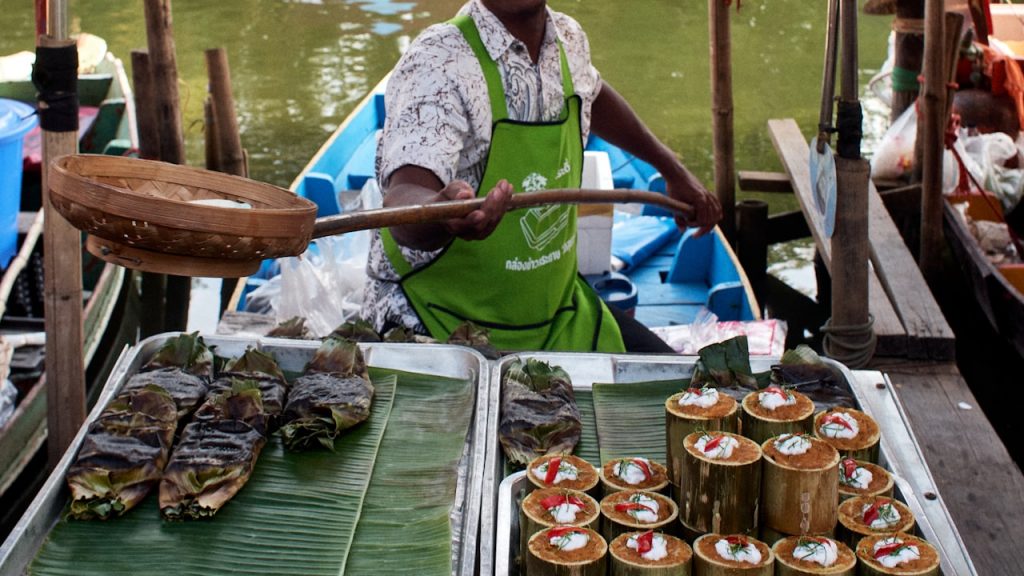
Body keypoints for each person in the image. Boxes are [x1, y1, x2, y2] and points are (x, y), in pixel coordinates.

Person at [361, 0, 722, 353]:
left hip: (555, 314)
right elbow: (406, 195)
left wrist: (672, 170)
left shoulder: (568, 38)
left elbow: (591, 95)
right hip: (438, 323)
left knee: (682, 390)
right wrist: (441, 213)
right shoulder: (437, 61)